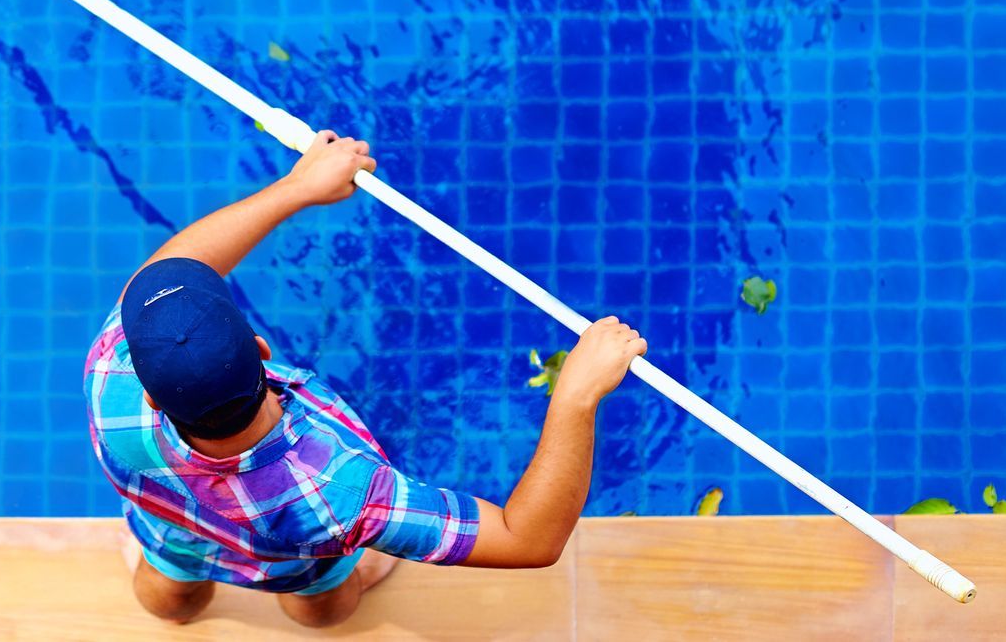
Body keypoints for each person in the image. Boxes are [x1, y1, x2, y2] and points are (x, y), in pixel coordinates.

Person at [83, 130, 649, 627]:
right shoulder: (344, 494)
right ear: (260, 348)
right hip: (296, 560)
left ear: (154, 393)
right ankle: (319, 609)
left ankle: (175, 609)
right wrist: (575, 397)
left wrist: (295, 188)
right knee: (324, 598)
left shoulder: (113, 382)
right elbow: (529, 540)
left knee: (168, 587)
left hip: (173, 525)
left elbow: (166, 274)